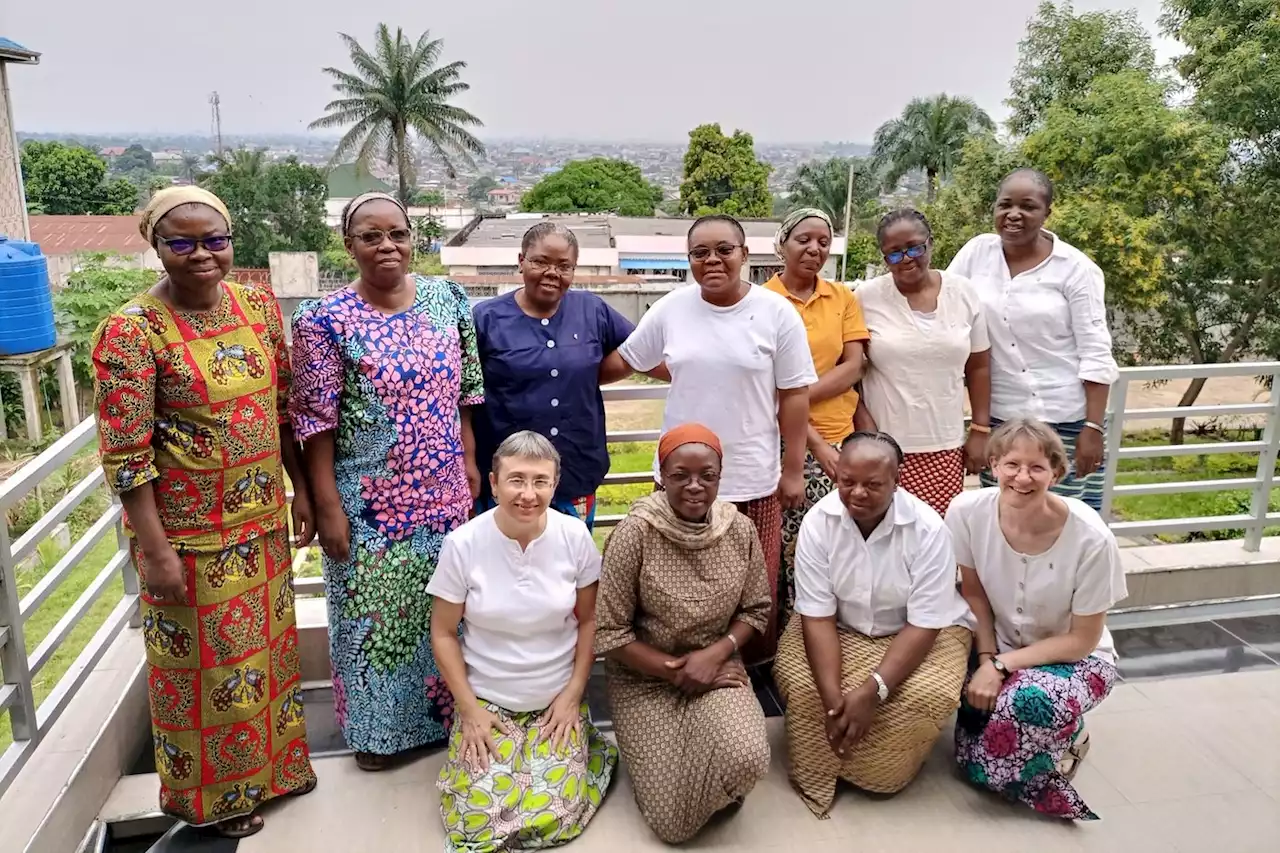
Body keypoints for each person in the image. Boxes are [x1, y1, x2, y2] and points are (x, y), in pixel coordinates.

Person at [92, 186, 316, 838]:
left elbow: (279, 410)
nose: (201, 255)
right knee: (203, 675)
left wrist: (299, 488)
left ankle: (276, 772)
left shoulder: (255, 305)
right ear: (156, 246)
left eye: (214, 240)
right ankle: (215, 799)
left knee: (265, 663)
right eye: (180, 242)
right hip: (189, 541)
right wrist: (156, 551)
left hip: (260, 527)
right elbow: (127, 459)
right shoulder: (132, 334)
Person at [289, 191, 483, 770]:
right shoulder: (322, 319)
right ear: (348, 246)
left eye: (396, 233)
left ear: (412, 237)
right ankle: (378, 738)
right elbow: (315, 423)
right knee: (372, 623)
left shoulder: (448, 299)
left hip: (445, 494)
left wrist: (470, 461)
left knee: (445, 613)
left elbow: (467, 391)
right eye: (370, 236)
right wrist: (327, 504)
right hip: (368, 505)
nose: (386, 246)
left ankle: (448, 721)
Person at [602, 214, 818, 659]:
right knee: (673, 582)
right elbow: (628, 360)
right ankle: (675, 665)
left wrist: (793, 469)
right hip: (680, 481)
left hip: (752, 478)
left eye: (724, 249)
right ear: (689, 261)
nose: (713, 260)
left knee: (752, 587)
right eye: (700, 253)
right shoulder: (671, 308)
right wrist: (565, 377)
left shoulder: (776, 314)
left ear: (745, 254)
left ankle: (751, 674)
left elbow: (795, 395)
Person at [428, 431, 617, 852]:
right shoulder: (464, 544)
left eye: (540, 481)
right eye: (516, 479)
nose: (528, 494)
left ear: (555, 484)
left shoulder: (574, 537)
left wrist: (572, 694)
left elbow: (589, 622)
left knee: (555, 817)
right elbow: (442, 632)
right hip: (488, 703)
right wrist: (469, 709)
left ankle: (585, 751)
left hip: (555, 701)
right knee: (475, 820)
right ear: (494, 483)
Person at [774, 432, 973, 818]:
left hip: (912, 630)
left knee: (924, 695)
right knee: (801, 681)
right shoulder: (818, 523)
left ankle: (882, 772)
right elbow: (816, 616)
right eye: (847, 481)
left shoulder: (928, 530)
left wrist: (873, 691)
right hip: (841, 626)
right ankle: (830, 758)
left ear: (897, 481)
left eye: (873, 484)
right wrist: (834, 701)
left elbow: (924, 623)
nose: (857, 493)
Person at [594, 424, 772, 844]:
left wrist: (719, 652)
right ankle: (699, 781)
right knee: (672, 826)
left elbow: (756, 609)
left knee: (747, 756)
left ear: (720, 476)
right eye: (680, 476)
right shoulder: (635, 533)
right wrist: (676, 672)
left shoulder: (739, 530)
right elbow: (609, 633)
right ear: (661, 476)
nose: (695, 486)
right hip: (645, 678)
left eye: (706, 476)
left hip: (717, 667)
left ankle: (716, 774)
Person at [946, 417, 1127, 820]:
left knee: (1022, 707)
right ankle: (1035, 740)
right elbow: (973, 593)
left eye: (1037, 468)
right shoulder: (966, 512)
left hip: (1075, 660)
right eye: (1011, 464)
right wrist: (987, 656)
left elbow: (1081, 640)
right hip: (999, 645)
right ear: (992, 465)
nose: (1022, 477)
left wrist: (998, 665)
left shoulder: (1091, 539)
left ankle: (1070, 733)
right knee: (970, 754)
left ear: (1057, 474)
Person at [947, 169, 1120, 511]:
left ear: (1046, 213)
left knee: (1069, 524)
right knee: (1007, 519)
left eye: (1028, 206)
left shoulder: (1075, 269)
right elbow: (945, 306)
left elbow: (1095, 351)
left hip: (1067, 422)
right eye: (1005, 205)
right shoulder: (976, 254)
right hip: (1002, 422)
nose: (1014, 214)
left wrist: (1092, 428)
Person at [472, 222, 638, 529]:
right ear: (521, 261)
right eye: (540, 262)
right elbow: (464, 395)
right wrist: (468, 461)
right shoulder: (485, 319)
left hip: (575, 472)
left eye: (564, 266)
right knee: (504, 566)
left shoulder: (592, 310)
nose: (552, 272)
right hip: (508, 481)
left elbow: (639, 348)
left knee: (570, 567)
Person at [762, 208, 870, 632]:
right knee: (789, 547)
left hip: (841, 440)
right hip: (787, 446)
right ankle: (788, 638)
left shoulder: (841, 297)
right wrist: (814, 442)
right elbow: (767, 391)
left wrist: (796, 396)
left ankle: (838, 633)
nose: (814, 249)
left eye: (823, 242)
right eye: (803, 239)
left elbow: (854, 364)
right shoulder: (763, 302)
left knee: (837, 546)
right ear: (782, 244)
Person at [854, 208, 992, 516]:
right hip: (882, 447)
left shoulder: (964, 293)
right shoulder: (865, 298)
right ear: (883, 256)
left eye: (915, 247)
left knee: (936, 545)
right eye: (894, 253)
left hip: (944, 446)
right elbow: (847, 365)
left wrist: (981, 429)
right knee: (881, 544)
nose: (906, 259)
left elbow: (979, 366)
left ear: (931, 244)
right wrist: (860, 416)